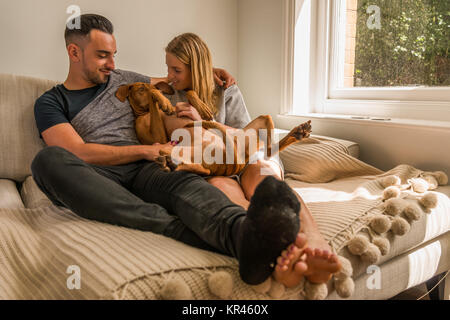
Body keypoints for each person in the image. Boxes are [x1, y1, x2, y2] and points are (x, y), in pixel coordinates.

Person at [31, 13, 313, 286]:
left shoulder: (122, 77)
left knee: (191, 186)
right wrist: (144, 151)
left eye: (114, 54)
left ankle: (246, 237)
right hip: (101, 179)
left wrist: (212, 71)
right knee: (46, 161)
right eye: (103, 55)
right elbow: (78, 152)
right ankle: (171, 227)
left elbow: (180, 77)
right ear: (74, 52)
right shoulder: (51, 102)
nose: (112, 64)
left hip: (149, 168)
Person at [162, 33, 341, 286]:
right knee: (224, 190)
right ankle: (281, 249)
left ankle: (313, 238)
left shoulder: (226, 90)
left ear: (197, 68)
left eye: (176, 69)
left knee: (265, 182)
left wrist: (203, 121)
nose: (170, 75)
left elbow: (248, 135)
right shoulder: (169, 95)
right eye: (168, 68)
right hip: (215, 167)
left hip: (246, 156)